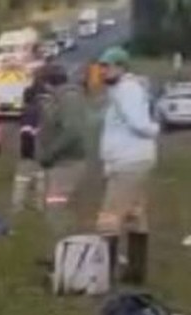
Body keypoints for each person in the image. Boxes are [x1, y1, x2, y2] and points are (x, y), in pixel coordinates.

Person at [96, 46, 160, 284]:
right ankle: (136, 271)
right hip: (135, 159)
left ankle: (103, 273)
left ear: (121, 67)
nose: (103, 71)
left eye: (108, 66)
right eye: (101, 66)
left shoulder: (127, 90)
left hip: (128, 162)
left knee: (109, 217)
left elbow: (140, 123)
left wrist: (153, 129)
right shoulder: (122, 90)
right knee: (135, 215)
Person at [36, 62, 88, 238]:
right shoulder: (62, 98)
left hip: (67, 163)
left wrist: (49, 153)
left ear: (47, 83)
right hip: (61, 163)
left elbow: (72, 131)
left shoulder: (68, 98)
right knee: (59, 209)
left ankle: (66, 254)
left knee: (56, 209)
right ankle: (63, 252)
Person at [11, 74, 49, 212]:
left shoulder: (28, 111)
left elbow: (26, 132)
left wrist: (26, 153)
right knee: (41, 178)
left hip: (30, 148)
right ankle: (39, 205)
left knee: (22, 179)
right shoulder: (45, 109)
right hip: (43, 149)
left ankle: (18, 205)